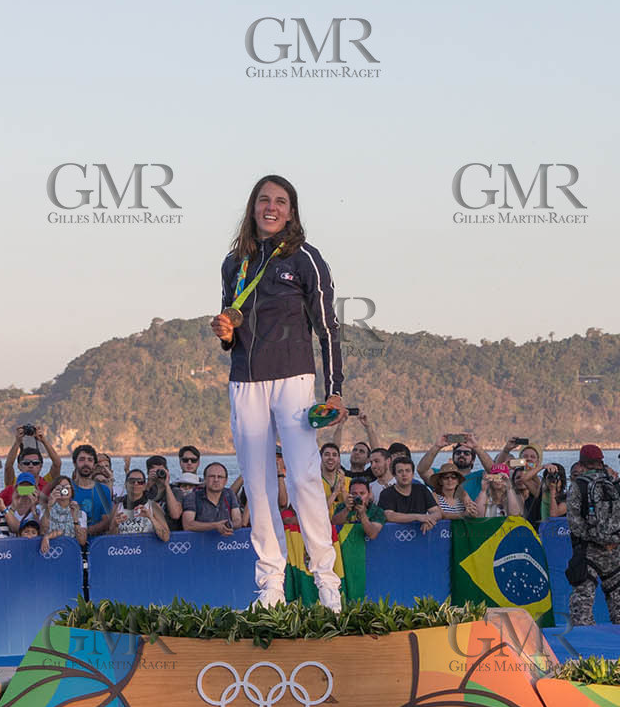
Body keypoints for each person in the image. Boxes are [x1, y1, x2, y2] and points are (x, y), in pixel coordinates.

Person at [210, 173, 345, 610]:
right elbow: (233, 331)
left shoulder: (306, 258)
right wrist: (225, 333)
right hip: (245, 382)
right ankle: (270, 587)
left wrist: (335, 391)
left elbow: (327, 328)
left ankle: (327, 583)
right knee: (258, 482)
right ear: (252, 208)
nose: (272, 207)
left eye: (281, 201)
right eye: (264, 200)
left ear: (292, 211)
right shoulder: (234, 263)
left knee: (304, 476)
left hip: (294, 379)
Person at [565, 445, 620, 626]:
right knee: (618, 598)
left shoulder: (578, 485)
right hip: (614, 551)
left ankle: (585, 644)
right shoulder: (615, 483)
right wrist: (616, 539)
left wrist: (595, 537)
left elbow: (574, 522)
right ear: (601, 461)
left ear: (581, 464)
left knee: (583, 601)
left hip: (589, 552)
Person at [376, 456, 441, 528]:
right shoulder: (386, 493)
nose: (404, 474)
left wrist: (429, 520)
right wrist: (417, 517)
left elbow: (437, 512)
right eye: (400, 471)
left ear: (413, 474)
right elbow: (389, 516)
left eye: (408, 471)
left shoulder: (422, 490)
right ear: (394, 475)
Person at [67, 444, 116, 539]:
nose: (86, 463)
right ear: (74, 463)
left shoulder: (104, 490)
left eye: (90, 460)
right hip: (70, 543)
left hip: (96, 545)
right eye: (82, 459)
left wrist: (84, 532)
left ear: (94, 465)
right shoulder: (66, 488)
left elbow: (106, 521)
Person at [183, 462, 243, 534]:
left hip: (225, 542)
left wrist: (228, 526)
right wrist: (215, 526)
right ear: (205, 479)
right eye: (212, 476)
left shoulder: (229, 494)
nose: (216, 480)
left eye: (220, 477)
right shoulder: (192, 496)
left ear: (226, 481)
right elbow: (188, 525)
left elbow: (238, 520)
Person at [3, 427, 59, 504]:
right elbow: (8, 467)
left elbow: (57, 464)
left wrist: (43, 440)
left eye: (35, 463)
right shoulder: (13, 483)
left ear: (41, 466)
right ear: (19, 466)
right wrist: (17, 442)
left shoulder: (47, 482)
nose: (31, 465)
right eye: (26, 463)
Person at [114, 468, 171, 541]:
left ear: (144, 486)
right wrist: (115, 525)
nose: (135, 484)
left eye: (140, 482)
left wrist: (151, 518)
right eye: (131, 481)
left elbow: (166, 537)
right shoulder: (117, 507)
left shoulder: (153, 506)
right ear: (125, 484)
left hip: (147, 549)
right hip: (125, 550)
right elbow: (110, 538)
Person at [42, 476, 89, 553]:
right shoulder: (45, 509)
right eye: (59, 487)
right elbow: (43, 530)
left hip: (70, 552)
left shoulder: (80, 513)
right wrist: (49, 506)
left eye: (67, 487)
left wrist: (75, 519)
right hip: (50, 551)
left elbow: (82, 541)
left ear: (72, 490)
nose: (64, 490)